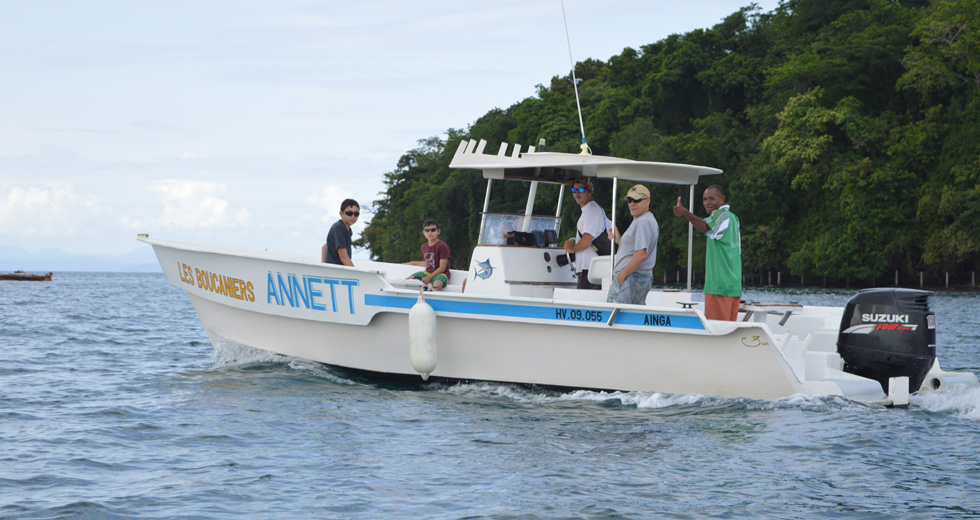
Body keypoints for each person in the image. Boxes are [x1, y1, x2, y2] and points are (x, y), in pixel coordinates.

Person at [673, 185, 742, 321]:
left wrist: (686, 213)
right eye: (705, 199)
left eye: (712, 198)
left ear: (722, 199)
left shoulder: (720, 214)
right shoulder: (734, 218)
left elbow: (705, 227)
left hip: (719, 286)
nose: (707, 203)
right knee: (727, 331)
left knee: (716, 333)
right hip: (734, 287)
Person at [606, 184, 659, 305]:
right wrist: (619, 239)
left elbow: (641, 254)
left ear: (647, 201)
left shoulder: (642, 222)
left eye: (637, 200)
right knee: (632, 318)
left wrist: (621, 276)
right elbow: (637, 247)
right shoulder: (648, 219)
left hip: (630, 278)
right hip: (641, 278)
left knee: (612, 317)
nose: (632, 204)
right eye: (630, 200)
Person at [563, 178, 611, 290]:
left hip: (590, 268)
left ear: (590, 192)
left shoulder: (591, 211)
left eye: (580, 190)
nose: (576, 193)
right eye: (574, 191)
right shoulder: (595, 209)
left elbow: (586, 240)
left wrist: (572, 248)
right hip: (593, 268)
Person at [405, 219, 451, 290]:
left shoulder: (443, 246)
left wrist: (428, 278)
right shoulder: (424, 247)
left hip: (442, 274)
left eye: (433, 230)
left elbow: (442, 268)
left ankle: (436, 300)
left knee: (437, 285)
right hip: (428, 272)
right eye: (427, 230)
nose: (430, 232)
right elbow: (429, 263)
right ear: (424, 232)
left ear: (438, 231)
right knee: (409, 280)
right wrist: (412, 263)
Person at [321, 199, 359, 266]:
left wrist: (323, 266)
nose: (353, 216)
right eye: (349, 213)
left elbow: (325, 246)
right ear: (341, 214)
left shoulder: (347, 230)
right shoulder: (339, 228)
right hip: (335, 272)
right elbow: (344, 257)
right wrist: (356, 274)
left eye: (356, 214)